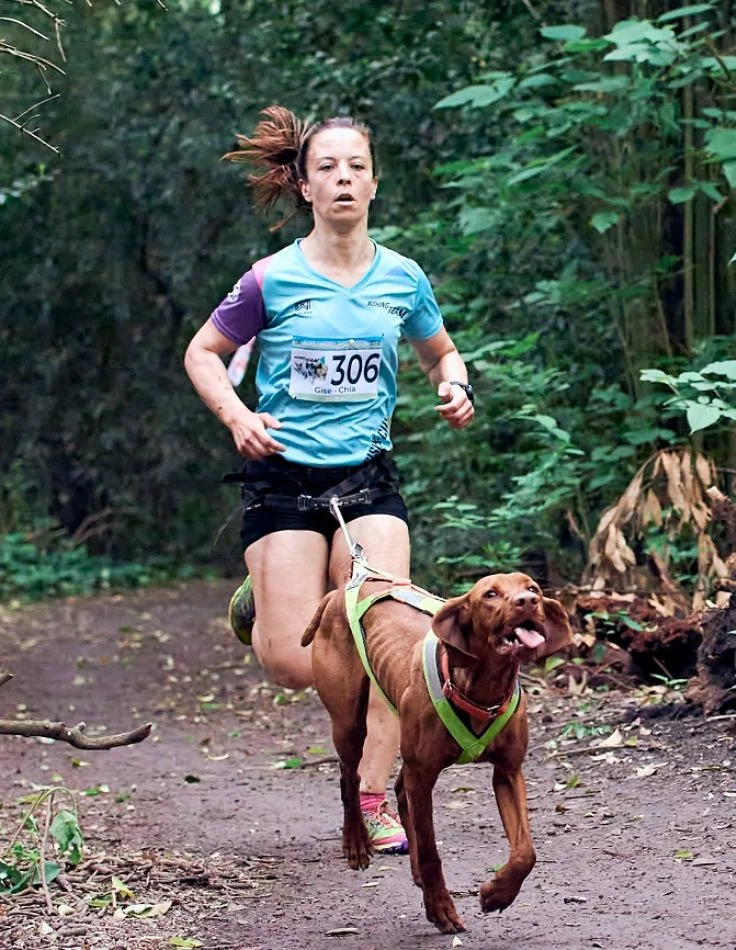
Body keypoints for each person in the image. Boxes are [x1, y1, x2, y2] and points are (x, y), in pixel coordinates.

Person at [183, 106, 474, 854]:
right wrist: (236, 416)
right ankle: (265, 601)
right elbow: (203, 354)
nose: (343, 179)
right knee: (290, 662)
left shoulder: (403, 278)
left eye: (355, 167)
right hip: (282, 482)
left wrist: (454, 385)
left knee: (390, 651)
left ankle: (377, 800)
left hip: (368, 482)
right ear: (305, 186)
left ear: (374, 182)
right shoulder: (269, 280)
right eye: (327, 169)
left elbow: (442, 353)